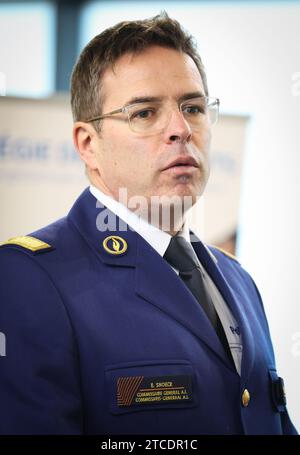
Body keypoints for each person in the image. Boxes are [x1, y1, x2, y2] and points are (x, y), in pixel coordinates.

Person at [0, 13, 297, 435]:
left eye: (192, 107)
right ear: (88, 144)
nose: (180, 129)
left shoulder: (239, 281)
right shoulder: (28, 277)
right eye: (144, 113)